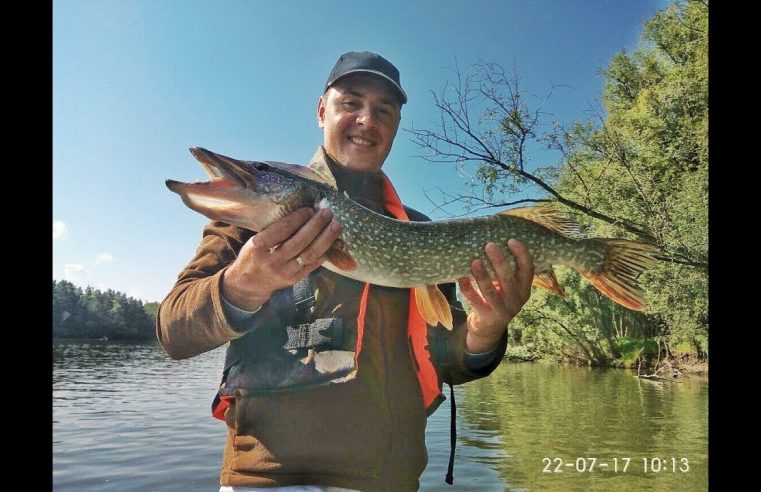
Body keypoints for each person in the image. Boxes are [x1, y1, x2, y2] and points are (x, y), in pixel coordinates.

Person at [157, 51, 534, 492]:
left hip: (385, 479)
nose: (366, 120)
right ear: (322, 111)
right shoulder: (247, 221)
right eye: (351, 103)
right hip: (269, 477)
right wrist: (245, 283)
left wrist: (487, 329)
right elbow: (173, 331)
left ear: (394, 127)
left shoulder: (419, 231)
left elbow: (447, 360)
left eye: (383, 111)